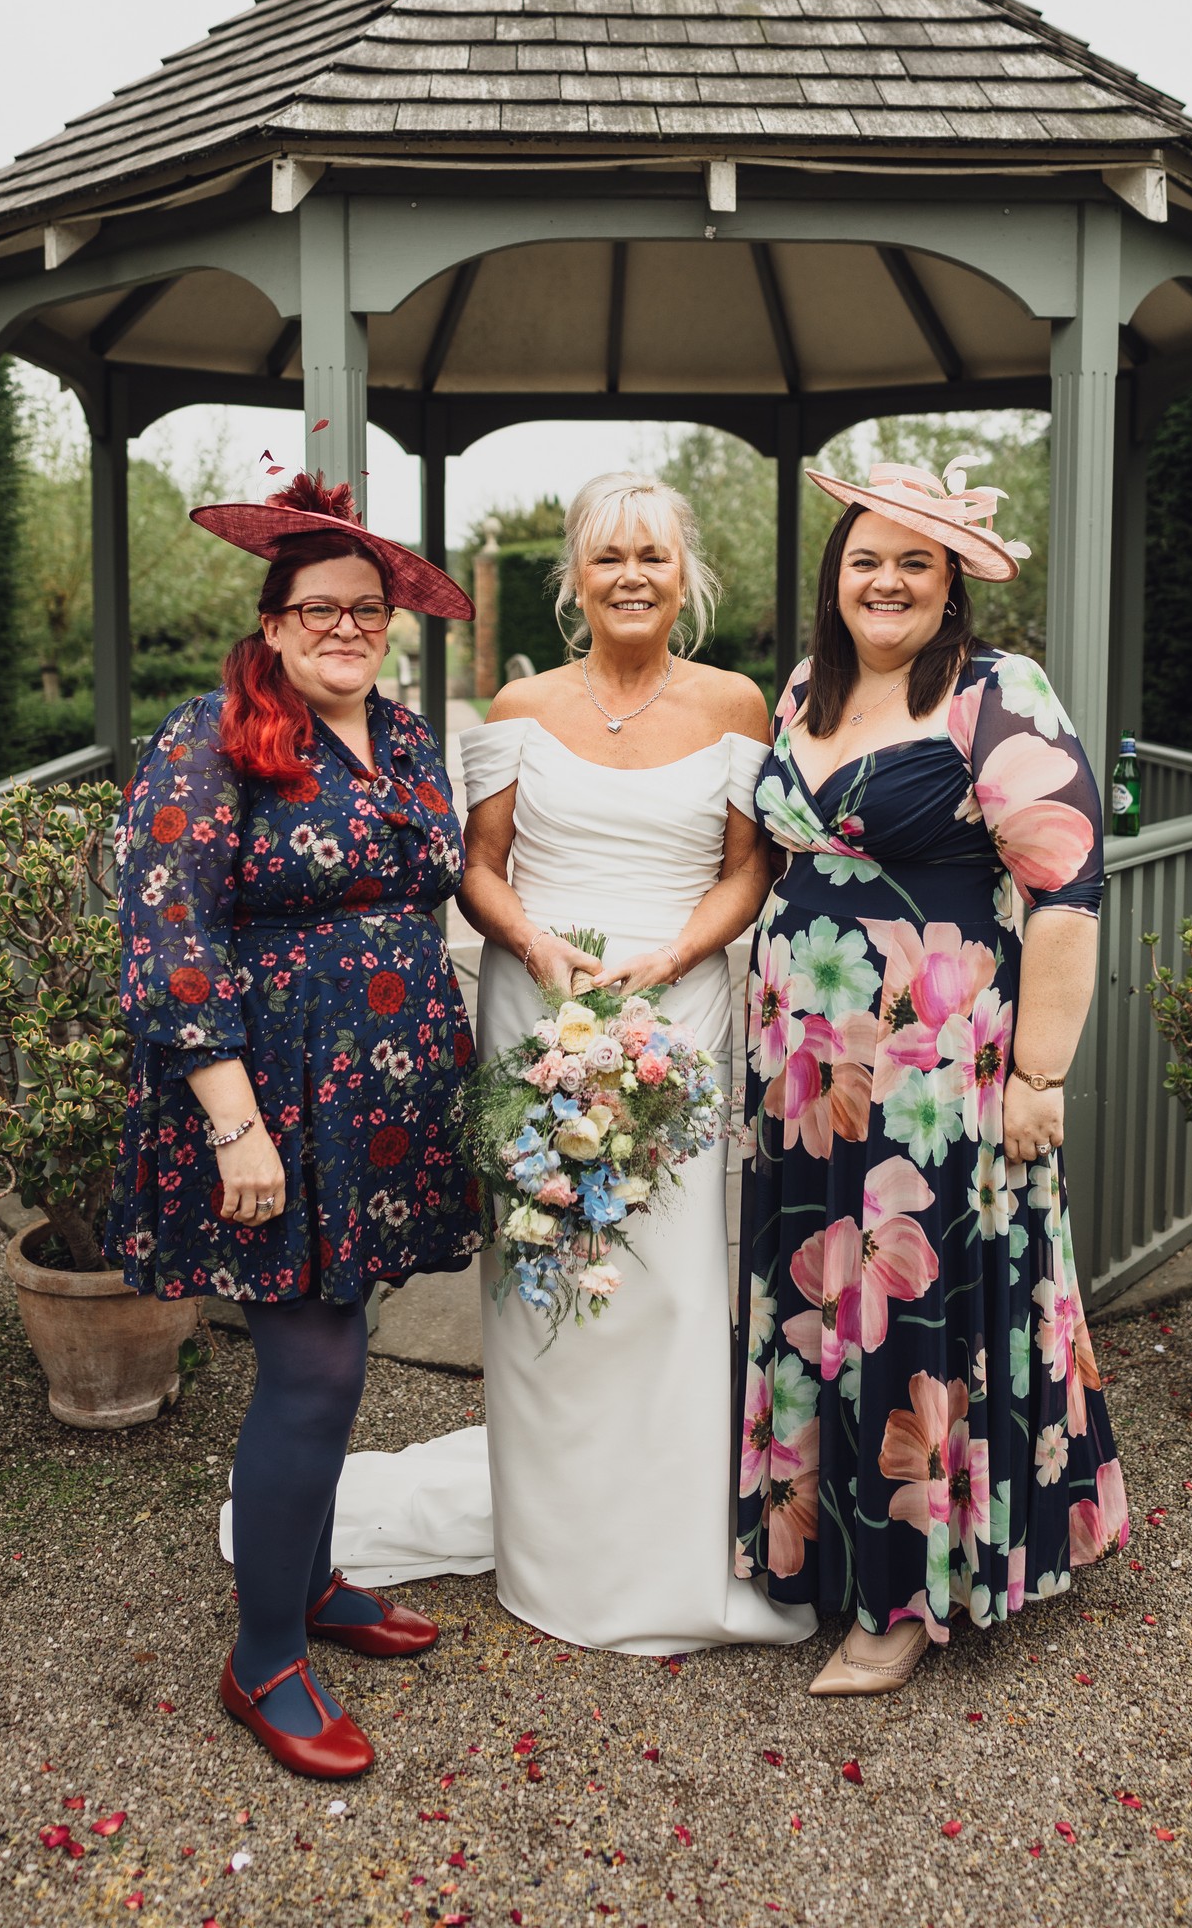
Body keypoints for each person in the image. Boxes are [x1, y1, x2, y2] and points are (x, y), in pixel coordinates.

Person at [105, 470, 480, 1777]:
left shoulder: (409, 737)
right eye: (318, 607)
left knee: (341, 1342)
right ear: (273, 623)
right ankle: (264, 1656)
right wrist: (234, 1125)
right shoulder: (213, 736)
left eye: (367, 609)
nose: (345, 628)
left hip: (384, 1102)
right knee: (312, 1370)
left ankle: (312, 1583)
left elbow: (437, 887)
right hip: (270, 1100)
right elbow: (168, 927)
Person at [734, 456, 1128, 1695]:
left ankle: (903, 1592)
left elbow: (1068, 890)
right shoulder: (806, 688)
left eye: (915, 562)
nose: (887, 581)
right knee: (816, 1299)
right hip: (803, 1073)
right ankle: (812, 1543)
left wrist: (1040, 1075)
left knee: (906, 1300)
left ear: (951, 583)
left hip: (932, 1071)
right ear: (834, 576)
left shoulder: (995, 693)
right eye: (866, 559)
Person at [453, 470, 817, 1653]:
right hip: (538, 1003)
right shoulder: (520, 702)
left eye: (651, 555)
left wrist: (669, 960)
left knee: (663, 1273)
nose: (630, 576)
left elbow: (748, 868)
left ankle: (664, 1546)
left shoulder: (735, 703)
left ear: (684, 573)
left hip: (679, 1002)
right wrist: (533, 946)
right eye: (607, 555)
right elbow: (480, 864)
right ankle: (552, 1547)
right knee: (542, 1257)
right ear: (574, 574)